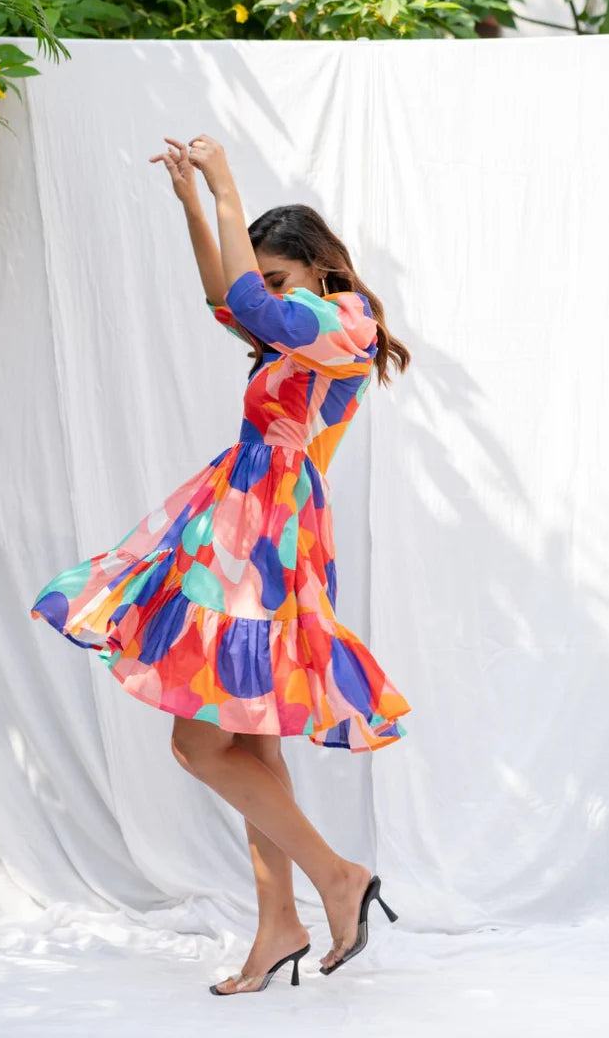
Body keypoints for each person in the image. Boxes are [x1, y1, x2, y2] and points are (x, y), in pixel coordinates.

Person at [30, 133, 412, 994]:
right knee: (244, 739)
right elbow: (224, 297)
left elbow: (245, 299)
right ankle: (278, 924)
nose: (264, 292)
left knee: (200, 741)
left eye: (279, 276)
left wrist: (225, 182)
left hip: (268, 537)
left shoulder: (343, 322)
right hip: (241, 523)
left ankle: (338, 877)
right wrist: (191, 206)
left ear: (318, 268)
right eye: (266, 278)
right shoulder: (294, 332)